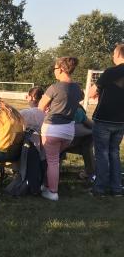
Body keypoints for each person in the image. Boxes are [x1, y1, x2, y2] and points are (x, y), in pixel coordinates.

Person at [37, 57, 84, 201]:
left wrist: (50, 108)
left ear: (62, 69)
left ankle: (53, 192)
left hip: (52, 129)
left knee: (52, 161)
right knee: (54, 160)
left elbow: (40, 107)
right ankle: (46, 185)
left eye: (55, 69)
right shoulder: (77, 88)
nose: (54, 72)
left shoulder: (54, 87)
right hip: (68, 131)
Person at [88, 43, 124, 196]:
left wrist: (98, 92)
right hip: (121, 121)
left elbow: (91, 93)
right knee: (114, 153)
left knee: (102, 154)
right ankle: (117, 188)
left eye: (113, 54)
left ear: (117, 55)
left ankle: (100, 188)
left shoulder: (110, 72)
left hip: (104, 118)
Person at [62, 105, 94, 181]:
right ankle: (90, 172)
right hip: (76, 143)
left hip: (61, 141)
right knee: (88, 146)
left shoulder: (58, 108)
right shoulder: (78, 111)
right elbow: (91, 125)